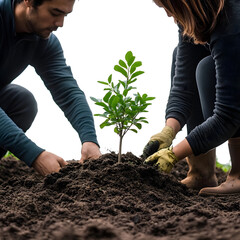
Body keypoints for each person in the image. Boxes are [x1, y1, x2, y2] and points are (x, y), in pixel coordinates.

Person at [143, 0, 240, 196]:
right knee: (182, 54)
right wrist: (168, 131)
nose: (169, 15)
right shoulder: (196, 15)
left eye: (167, 7)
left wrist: (173, 154)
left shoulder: (232, 19)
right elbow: (184, 84)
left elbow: (228, 114)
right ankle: (201, 172)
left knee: (208, 69)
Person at [0, 0, 101, 176]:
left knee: (22, 102)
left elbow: (68, 91)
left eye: (65, 15)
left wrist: (89, 140)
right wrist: (34, 155)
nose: (60, 23)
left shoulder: (42, 41)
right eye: (55, 13)